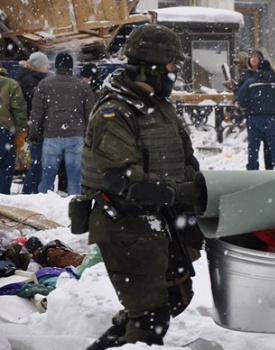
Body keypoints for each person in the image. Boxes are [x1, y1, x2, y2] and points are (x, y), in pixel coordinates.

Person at [81, 24, 206, 349]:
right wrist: (182, 193)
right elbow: (123, 181)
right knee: (151, 316)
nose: (174, 72)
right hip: (125, 224)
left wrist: (206, 187)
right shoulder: (115, 112)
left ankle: (118, 340)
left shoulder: (158, 105)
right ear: (149, 67)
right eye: (170, 66)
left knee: (177, 295)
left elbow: (184, 158)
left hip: (160, 220)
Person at [28, 52, 94, 195]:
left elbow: (37, 113)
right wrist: (90, 137)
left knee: (47, 177)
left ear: (56, 66)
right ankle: (73, 209)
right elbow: (90, 115)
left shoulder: (44, 85)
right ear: (72, 67)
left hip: (52, 136)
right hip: (76, 136)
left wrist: (34, 134)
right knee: (75, 177)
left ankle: (44, 208)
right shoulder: (82, 87)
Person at [237, 59, 275, 170]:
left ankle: (253, 168)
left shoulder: (251, 82)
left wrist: (246, 107)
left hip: (254, 117)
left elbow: (241, 96)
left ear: (258, 69)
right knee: (274, 145)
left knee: (253, 147)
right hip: (271, 117)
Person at [17, 52, 51, 194]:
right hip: (35, 126)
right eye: (45, 64)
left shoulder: (31, 78)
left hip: (34, 124)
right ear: (37, 66)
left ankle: (31, 190)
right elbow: (35, 101)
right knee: (37, 162)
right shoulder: (29, 80)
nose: (48, 67)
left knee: (38, 162)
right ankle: (29, 191)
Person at [0, 64, 28, 194]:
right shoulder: (11, 85)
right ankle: (3, 202)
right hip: (4, 133)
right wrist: (21, 134)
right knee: (5, 168)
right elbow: (19, 112)